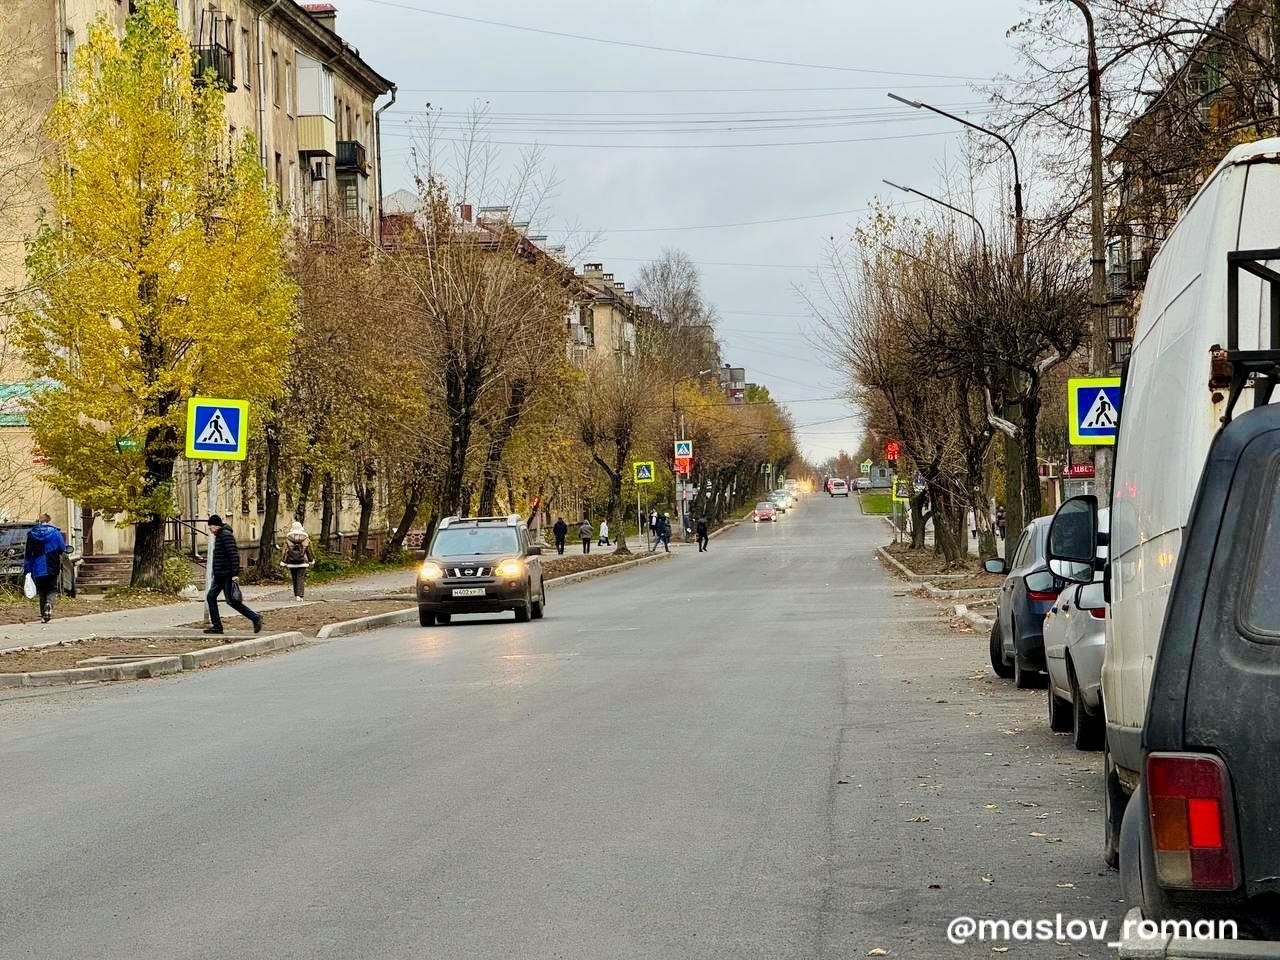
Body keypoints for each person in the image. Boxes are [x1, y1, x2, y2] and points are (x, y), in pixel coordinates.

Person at [205, 514, 262, 637]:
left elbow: (234, 555)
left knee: (232, 601)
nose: (210, 530)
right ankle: (217, 626)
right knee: (210, 597)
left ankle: (255, 617)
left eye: (210, 527)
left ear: (215, 525)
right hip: (219, 574)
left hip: (227, 574)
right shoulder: (220, 536)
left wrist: (235, 574)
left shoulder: (226, 535)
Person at [24, 513, 68, 623]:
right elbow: (62, 548)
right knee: (52, 589)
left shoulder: (31, 534)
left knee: (42, 591)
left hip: (37, 567)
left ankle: (43, 615)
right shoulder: (55, 533)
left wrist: (27, 570)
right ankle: (49, 604)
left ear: (39, 521)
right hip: (52, 565)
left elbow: (28, 554)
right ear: (49, 521)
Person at [280, 520, 316, 600]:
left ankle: (296, 595)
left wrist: (283, 561)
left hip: (291, 561)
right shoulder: (306, 538)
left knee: (294, 578)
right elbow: (309, 550)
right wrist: (311, 560)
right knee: (300, 577)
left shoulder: (288, 539)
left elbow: (285, 551)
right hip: (303, 561)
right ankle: (300, 595)